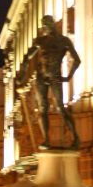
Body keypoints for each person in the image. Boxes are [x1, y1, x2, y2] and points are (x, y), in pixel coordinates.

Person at [24, 14, 81, 148]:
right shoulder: (40, 41)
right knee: (43, 108)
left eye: (46, 25)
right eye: (44, 26)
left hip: (55, 76)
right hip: (41, 76)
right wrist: (24, 68)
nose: (45, 28)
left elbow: (77, 60)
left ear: (52, 25)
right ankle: (46, 140)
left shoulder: (64, 41)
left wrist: (68, 76)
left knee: (61, 108)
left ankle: (75, 137)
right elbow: (28, 56)